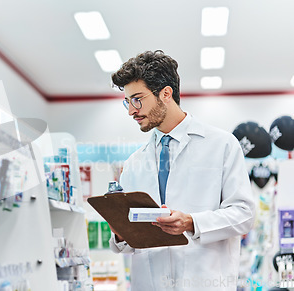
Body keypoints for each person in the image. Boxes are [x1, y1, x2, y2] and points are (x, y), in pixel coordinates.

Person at [108, 50, 255, 291]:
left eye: (137, 99)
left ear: (166, 93)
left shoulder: (221, 145)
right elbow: (130, 243)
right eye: (127, 101)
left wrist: (191, 222)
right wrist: (121, 233)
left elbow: (244, 215)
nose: (131, 111)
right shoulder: (134, 163)